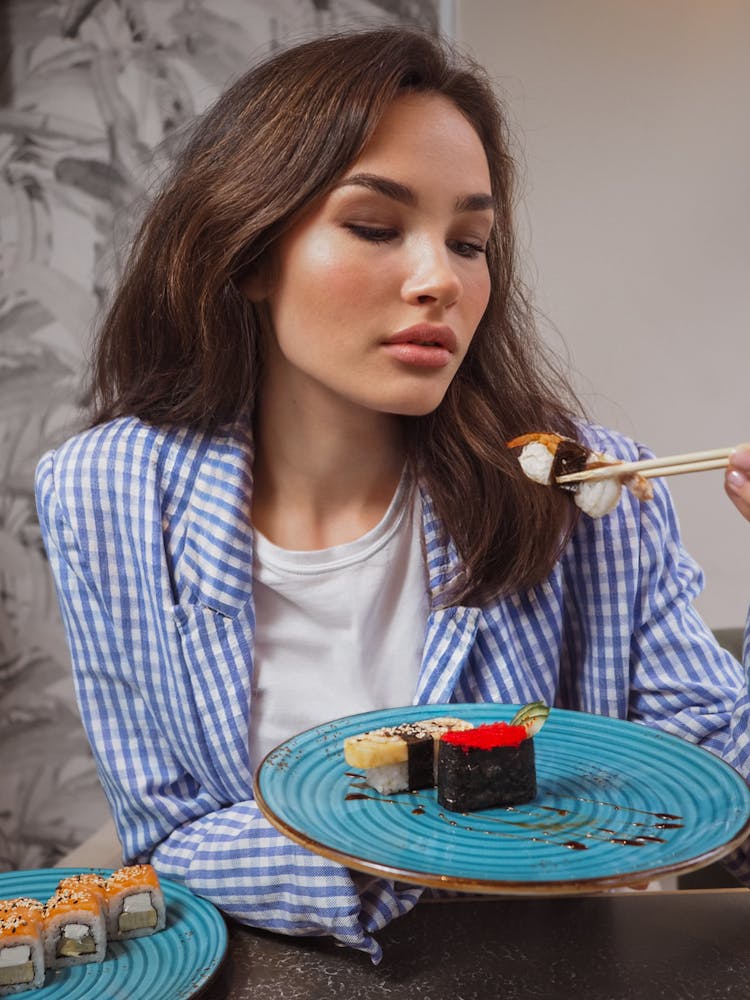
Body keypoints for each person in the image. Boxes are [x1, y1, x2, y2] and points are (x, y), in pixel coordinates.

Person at [35, 27, 750, 962]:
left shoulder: (591, 488)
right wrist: (432, 845)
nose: (439, 281)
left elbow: (715, 780)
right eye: (375, 227)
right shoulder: (106, 493)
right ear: (250, 250)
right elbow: (169, 842)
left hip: (543, 971)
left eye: (470, 241)